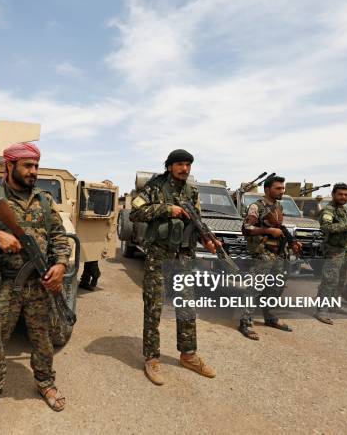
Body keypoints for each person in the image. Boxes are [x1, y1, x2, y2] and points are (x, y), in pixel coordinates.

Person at [0, 142, 71, 434]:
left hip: (40, 285)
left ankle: (45, 383)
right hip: (5, 285)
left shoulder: (45, 200)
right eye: (27, 166)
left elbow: (59, 236)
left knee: (42, 339)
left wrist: (60, 265)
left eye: (36, 165)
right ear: (8, 166)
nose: (34, 171)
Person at [129, 149, 218, 385]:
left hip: (184, 258)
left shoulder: (192, 191)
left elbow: (196, 222)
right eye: (179, 164)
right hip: (159, 256)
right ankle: (152, 357)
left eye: (188, 165)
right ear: (169, 166)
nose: (185, 169)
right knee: (154, 307)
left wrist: (207, 239)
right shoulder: (154, 187)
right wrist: (167, 209)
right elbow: (135, 213)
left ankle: (188, 355)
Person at [239, 175, 301, 340]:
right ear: (268, 189)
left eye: (283, 188)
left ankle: (270, 317)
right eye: (278, 188)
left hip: (278, 252)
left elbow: (279, 227)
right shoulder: (256, 207)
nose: (282, 190)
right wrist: (267, 231)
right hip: (263, 252)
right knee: (255, 288)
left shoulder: (278, 205)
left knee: (275, 287)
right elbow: (246, 228)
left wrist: (293, 241)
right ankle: (245, 322)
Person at [314, 183, 347, 325]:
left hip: (344, 249)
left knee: (340, 279)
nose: (343, 197)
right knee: (330, 280)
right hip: (332, 250)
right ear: (333, 194)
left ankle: (333, 305)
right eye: (340, 194)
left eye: (346, 194)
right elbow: (326, 227)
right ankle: (321, 310)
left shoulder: (345, 209)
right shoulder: (329, 210)